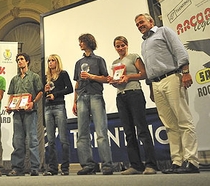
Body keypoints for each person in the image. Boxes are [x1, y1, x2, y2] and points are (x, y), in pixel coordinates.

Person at [134, 13, 199, 174]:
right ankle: (177, 162)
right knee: (169, 125)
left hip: (172, 77)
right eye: (137, 24)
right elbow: (149, 68)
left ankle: (192, 161)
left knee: (183, 120)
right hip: (156, 84)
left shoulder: (164, 31)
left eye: (141, 22)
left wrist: (186, 72)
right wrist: (150, 88)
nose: (139, 25)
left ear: (151, 21)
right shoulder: (144, 44)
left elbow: (180, 51)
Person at [108, 36, 158, 175]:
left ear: (127, 45)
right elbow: (118, 81)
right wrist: (114, 81)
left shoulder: (134, 57)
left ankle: (151, 164)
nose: (120, 48)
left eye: (122, 45)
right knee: (129, 132)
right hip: (121, 96)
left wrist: (129, 77)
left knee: (142, 129)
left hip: (134, 93)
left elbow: (144, 74)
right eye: (117, 46)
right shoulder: (115, 62)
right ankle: (136, 165)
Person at [72, 33, 114, 175]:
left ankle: (107, 165)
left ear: (88, 42)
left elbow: (107, 78)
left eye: (81, 41)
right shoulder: (78, 63)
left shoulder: (98, 60)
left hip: (96, 95)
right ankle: (88, 165)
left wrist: (91, 77)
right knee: (82, 134)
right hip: (81, 97)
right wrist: (74, 101)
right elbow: (77, 82)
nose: (80, 44)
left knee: (101, 132)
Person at [5, 53, 43, 176]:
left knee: (32, 139)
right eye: (17, 60)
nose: (19, 61)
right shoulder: (14, 79)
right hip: (17, 113)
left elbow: (40, 92)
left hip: (30, 112)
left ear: (27, 61)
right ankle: (17, 168)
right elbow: (11, 94)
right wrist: (9, 106)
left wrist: (33, 103)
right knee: (17, 140)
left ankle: (35, 168)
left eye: (21, 59)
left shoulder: (34, 77)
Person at [43, 54, 73, 176]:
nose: (50, 63)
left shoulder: (63, 74)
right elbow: (42, 91)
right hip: (48, 107)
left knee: (63, 138)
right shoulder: (46, 77)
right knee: (50, 140)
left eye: (53, 60)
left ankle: (65, 168)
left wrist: (56, 94)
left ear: (57, 62)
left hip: (59, 106)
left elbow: (70, 89)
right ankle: (52, 168)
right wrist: (45, 90)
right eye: (49, 61)